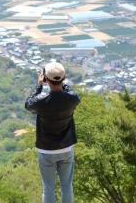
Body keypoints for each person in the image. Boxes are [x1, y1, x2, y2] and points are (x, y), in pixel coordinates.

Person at [25, 61, 81, 203]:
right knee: (67, 187)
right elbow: (70, 92)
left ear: (45, 79)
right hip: (66, 148)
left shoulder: (41, 101)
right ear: (64, 78)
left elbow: (28, 104)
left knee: (48, 188)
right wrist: (62, 82)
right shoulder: (72, 99)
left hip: (47, 150)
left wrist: (39, 86)